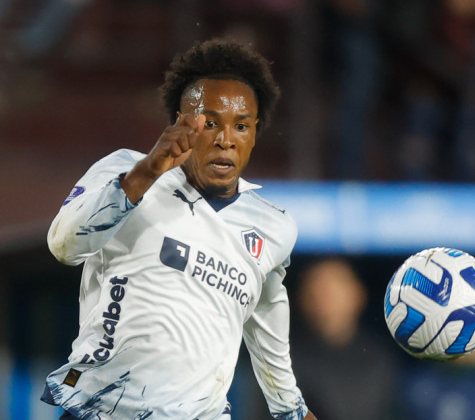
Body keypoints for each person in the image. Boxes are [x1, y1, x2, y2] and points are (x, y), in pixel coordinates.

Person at [40, 38, 317, 420]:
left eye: (241, 126)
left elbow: (265, 318)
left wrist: (291, 411)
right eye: (210, 123)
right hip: (102, 409)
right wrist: (150, 170)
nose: (225, 140)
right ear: (180, 122)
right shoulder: (126, 169)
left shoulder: (274, 227)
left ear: (255, 133)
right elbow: (63, 246)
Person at [291, 258, 399, 420]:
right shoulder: (285, 362)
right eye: (315, 292)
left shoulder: (381, 358)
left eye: (332, 292)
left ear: (358, 295)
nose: (324, 301)